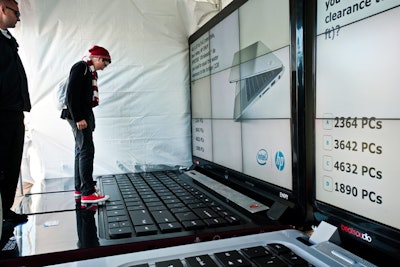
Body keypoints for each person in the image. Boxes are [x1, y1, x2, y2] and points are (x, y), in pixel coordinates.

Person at [61, 45, 111, 204]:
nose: (104, 68)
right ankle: (87, 193)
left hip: (81, 114)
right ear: (98, 58)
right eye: (105, 63)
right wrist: (79, 118)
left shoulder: (89, 71)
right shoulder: (81, 67)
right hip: (78, 115)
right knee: (86, 150)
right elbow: (71, 94)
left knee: (80, 150)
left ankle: (80, 188)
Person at [0, 0, 30, 225]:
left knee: (12, 164)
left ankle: (6, 210)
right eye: (16, 12)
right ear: (2, 9)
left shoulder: (9, 41)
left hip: (14, 112)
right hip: (2, 113)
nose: (19, 18)